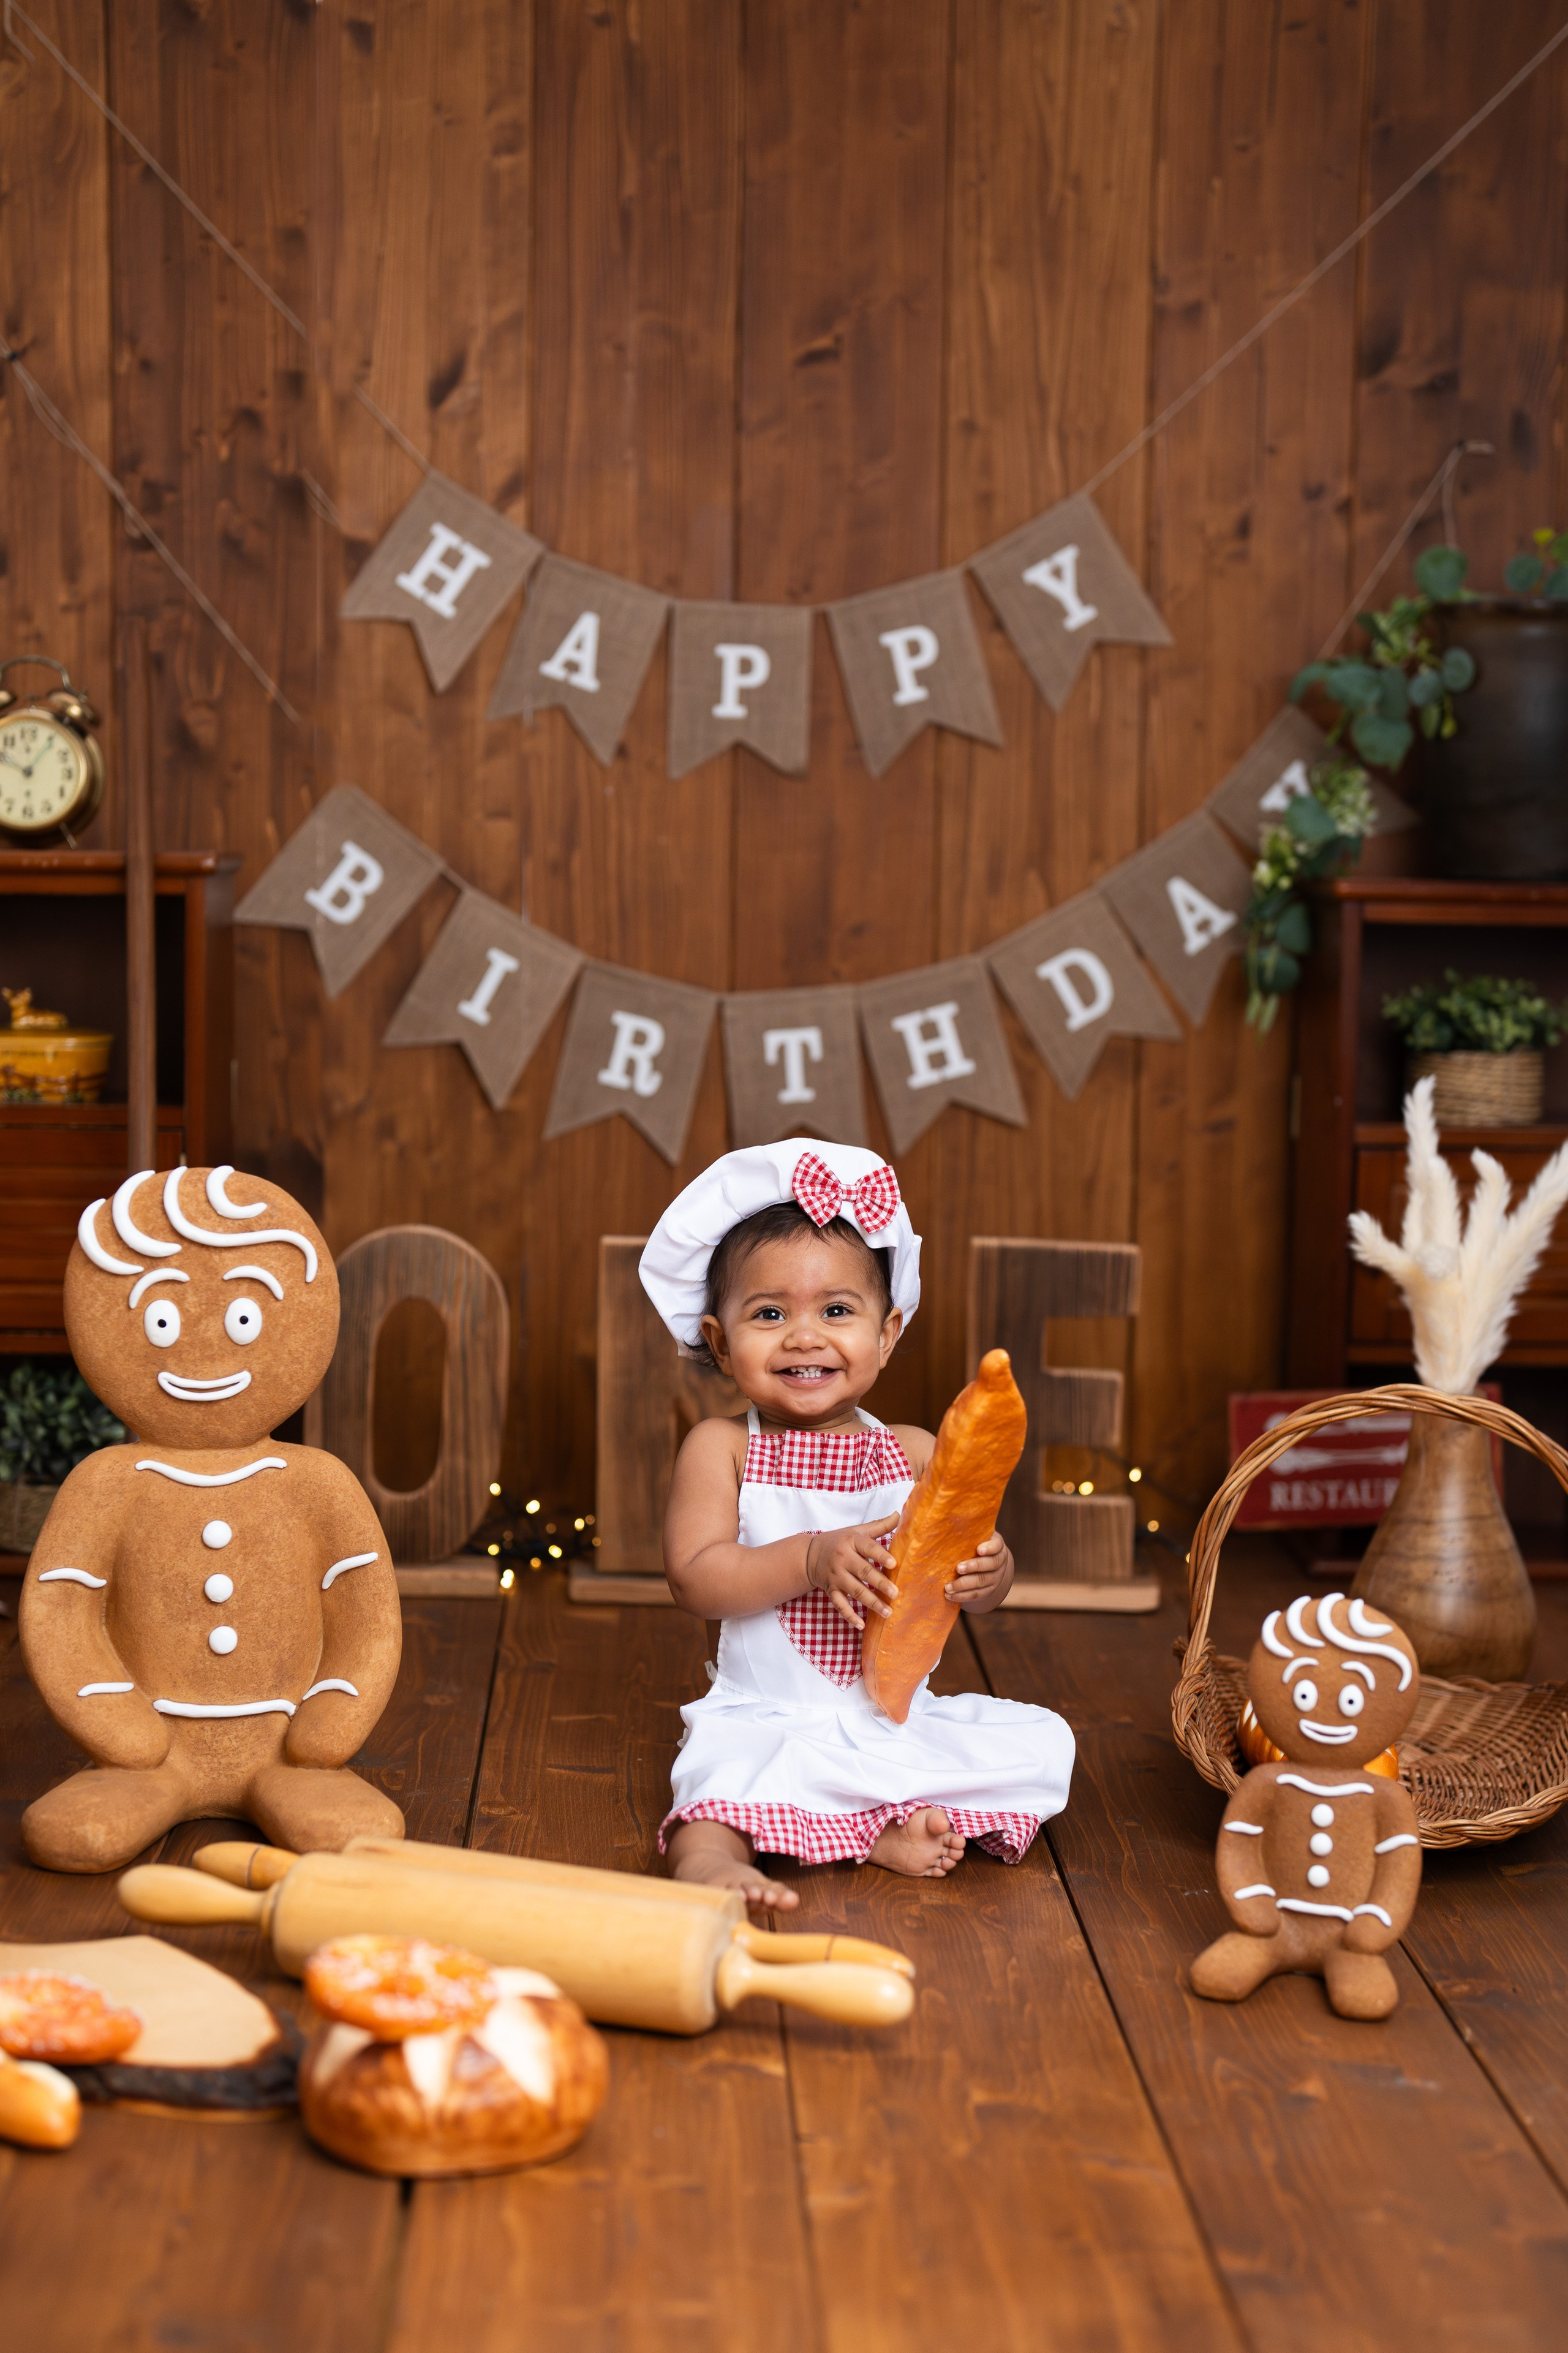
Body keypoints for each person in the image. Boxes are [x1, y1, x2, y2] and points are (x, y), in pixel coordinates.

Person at [641, 1140, 1074, 1913]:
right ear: (717, 1340)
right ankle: (710, 1863)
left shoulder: (913, 1453)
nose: (804, 1336)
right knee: (720, 1781)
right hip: (764, 1714)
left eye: (836, 1310)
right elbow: (695, 1579)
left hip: (885, 1712)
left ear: (887, 1332)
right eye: (769, 1313)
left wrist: (989, 1575)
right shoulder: (723, 1449)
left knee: (1042, 1743)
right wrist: (810, 1558)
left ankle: (876, 1828)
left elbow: (958, 1581)